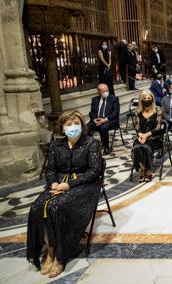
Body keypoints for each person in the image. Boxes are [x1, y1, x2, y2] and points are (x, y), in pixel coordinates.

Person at [27, 110, 103, 278]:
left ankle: (60, 257)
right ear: (62, 128)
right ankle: (50, 252)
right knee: (38, 207)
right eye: (69, 124)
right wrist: (53, 183)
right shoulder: (56, 145)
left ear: (82, 126)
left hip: (85, 185)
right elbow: (51, 169)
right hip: (59, 183)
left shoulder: (91, 143)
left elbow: (95, 170)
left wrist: (69, 184)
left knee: (56, 207)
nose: (73, 127)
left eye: (76, 124)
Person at [132, 90, 163, 182]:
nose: (146, 100)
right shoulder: (137, 111)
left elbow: (158, 127)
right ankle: (143, 169)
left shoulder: (158, 110)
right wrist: (140, 134)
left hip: (155, 137)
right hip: (141, 137)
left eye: (148, 98)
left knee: (145, 147)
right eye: (144, 98)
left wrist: (146, 135)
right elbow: (137, 126)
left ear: (152, 99)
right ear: (141, 100)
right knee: (137, 148)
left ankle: (147, 170)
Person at [87, 83, 120, 155]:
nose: (105, 92)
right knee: (86, 127)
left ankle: (106, 147)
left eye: (106, 90)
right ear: (99, 91)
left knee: (103, 127)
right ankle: (88, 146)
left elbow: (115, 113)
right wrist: (94, 119)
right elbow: (91, 112)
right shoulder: (95, 99)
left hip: (109, 120)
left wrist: (105, 120)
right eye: (103, 91)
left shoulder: (114, 99)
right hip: (97, 120)